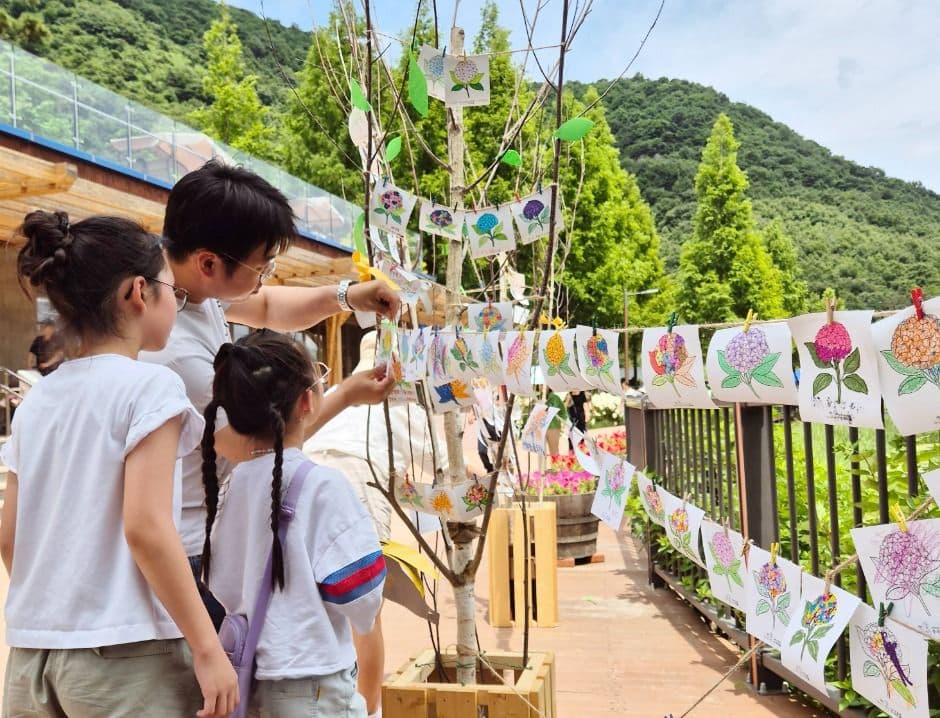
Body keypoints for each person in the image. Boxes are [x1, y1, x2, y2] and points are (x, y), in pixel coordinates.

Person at [141, 159, 400, 628]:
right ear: (208, 262)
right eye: (262, 265)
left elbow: (266, 305)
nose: (266, 276)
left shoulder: (188, 289)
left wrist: (348, 296)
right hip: (196, 555)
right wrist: (342, 397)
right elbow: (257, 446)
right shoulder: (178, 358)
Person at [1, 210, 238, 717]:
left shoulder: (38, 402)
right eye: (173, 293)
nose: (176, 304)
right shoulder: (150, 387)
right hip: (127, 656)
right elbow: (147, 527)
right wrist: (207, 647)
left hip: (31, 655)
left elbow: (8, 535)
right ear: (138, 293)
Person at [203, 331, 385, 717]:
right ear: (307, 400)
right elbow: (361, 594)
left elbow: (219, 579)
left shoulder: (232, 485)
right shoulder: (323, 484)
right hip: (315, 684)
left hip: (251, 680)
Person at [305, 331, 446, 718]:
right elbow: (438, 465)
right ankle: (367, 710)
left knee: (313, 598)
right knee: (366, 612)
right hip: (358, 484)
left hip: (309, 476)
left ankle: (328, 699)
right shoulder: (405, 397)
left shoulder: (342, 390)